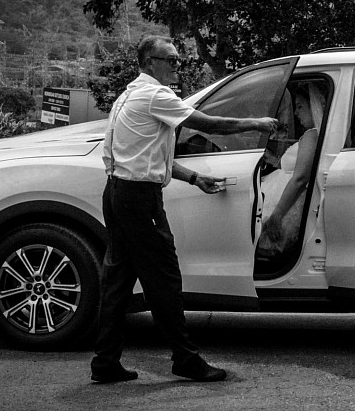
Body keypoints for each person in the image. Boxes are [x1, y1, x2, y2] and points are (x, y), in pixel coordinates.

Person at [91, 35, 278, 384]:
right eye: (171, 60)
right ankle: (185, 359)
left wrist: (194, 178)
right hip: (139, 200)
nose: (178, 66)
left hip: (118, 193)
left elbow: (150, 158)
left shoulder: (129, 95)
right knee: (164, 279)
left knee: (117, 280)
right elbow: (208, 124)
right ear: (150, 62)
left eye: (179, 59)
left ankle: (105, 361)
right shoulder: (156, 95)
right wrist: (256, 123)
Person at [257, 83, 325, 258]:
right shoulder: (315, 135)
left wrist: (277, 216)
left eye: (300, 106)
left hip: (286, 207)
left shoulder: (312, 135)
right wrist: (275, 161)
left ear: (313, 106)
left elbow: (300, 178)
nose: (296, 113)